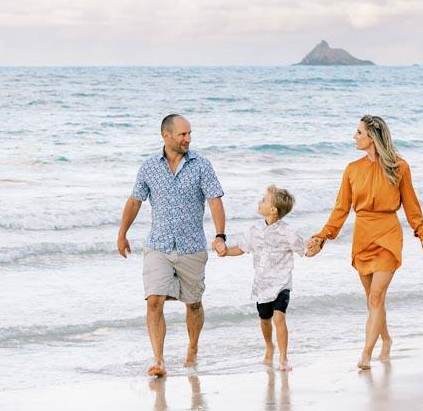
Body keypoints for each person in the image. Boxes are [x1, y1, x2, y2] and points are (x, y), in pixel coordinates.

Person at [305, 114, 423, 370]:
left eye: (359, 133)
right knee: (373, 299)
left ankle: (366, 353)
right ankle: (386, 338)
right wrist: (323, 236)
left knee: (375, 297)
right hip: (362, 236)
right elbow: (341, 209)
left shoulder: (400, 167)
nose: (355, 136)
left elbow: (411, 203)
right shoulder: (352, 169)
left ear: (372, 137)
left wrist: (421, 233)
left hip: (388, 233)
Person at [116, 113, 226, 377]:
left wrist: (220, 235)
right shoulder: (149, 167)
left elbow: (215, 201)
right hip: (158, 246)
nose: (188, 139)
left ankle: (193, 348)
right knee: (154, 301)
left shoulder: (201, 165)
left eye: (189, 134)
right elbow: (135, 201)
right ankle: (159, 360)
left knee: (194, 304)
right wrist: (122, 234)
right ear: (166, 136)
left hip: (192, 247)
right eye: (182, 134)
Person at [215, 184, 305, 371]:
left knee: (279, 318)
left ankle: (283, 358)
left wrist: (316, 244)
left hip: (281, 283)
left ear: (273, 210)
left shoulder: (288, 232)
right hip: (262, 285)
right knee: (265, 319)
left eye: (263, 200)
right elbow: (241, 248)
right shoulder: (254, 230)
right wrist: (225, 252)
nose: (259, 202)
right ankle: (269, 345)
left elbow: (303, 250)